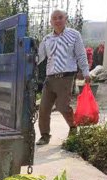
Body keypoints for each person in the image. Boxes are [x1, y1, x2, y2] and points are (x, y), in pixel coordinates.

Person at [36, 9, 91, 146]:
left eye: (60, 17)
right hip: (50, 78)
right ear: (51, 22)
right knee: (43, 108)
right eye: (54, 18)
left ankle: (73, 127)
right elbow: (40, 57)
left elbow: (81, 55)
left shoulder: (74, 35)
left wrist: (86, 72)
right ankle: (44, 135)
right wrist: (27, 64)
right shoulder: (47, 39)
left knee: (62, 106)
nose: (57, 20)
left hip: (66, 77)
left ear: (65, 19)